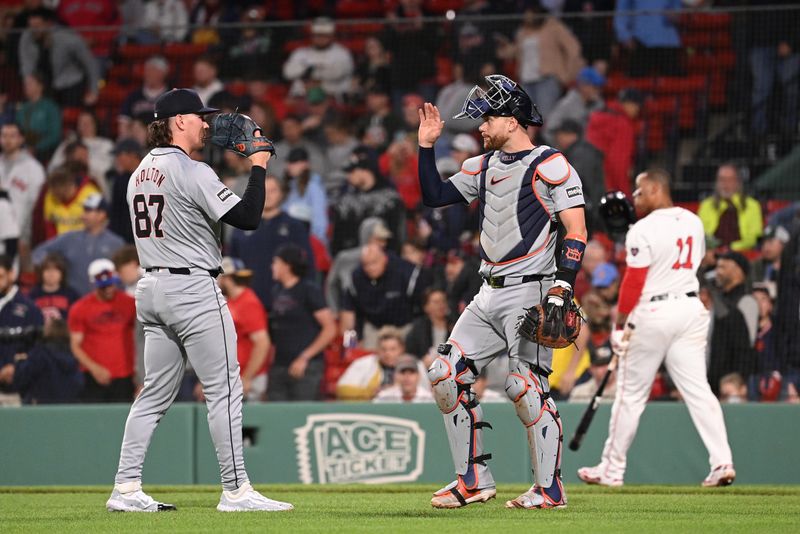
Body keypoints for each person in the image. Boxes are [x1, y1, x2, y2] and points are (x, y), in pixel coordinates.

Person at [107, 88, 293, 512]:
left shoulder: (138, 171)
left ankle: (126, 487)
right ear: (178, 122)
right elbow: (247, 218)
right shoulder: (193, 171)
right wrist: (258, 165)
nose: (208, 123)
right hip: (191, 288)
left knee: (153, 394)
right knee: (224, 390)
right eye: (199, 116)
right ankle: (236, 490)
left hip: (151, 287)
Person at [417, 74, 587, 509]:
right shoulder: (483, 165)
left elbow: (576, 231)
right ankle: (473, 479)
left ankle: (550, 490)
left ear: (513, 121)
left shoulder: (551, 164)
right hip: (487, 290)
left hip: (533, 289)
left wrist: (562, 288)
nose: (481, 126)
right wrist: (426, 146)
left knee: (524, 384)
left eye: (488, 118)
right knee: (444, 374)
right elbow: (434, 195)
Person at [577, 168, 736, 489]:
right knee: (699, 391)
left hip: (654, 310)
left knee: (630, 395)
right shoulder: (693, 221)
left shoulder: (644, 229)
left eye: (638, 191)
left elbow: (634, 281)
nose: (634, 198)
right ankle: (722, 462)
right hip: (690, 309)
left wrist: (619, 324)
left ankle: (612, 469)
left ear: (653, 189)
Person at [229, 174, 315, 311]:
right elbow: (231, 265)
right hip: (249, 303)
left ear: (281, 193)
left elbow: (308, 265)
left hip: (287, 303)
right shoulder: (241, 227)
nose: (268, 195)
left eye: (273, 190)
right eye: (264, 190)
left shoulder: (294, 226)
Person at [267, 244, 337, 402]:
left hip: (306, 367)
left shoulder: (309, 290)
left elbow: (329, 329)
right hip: (280, 365)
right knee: (275, 415)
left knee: (300, 415)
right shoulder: (277, 291)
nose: (272, 266)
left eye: (276, 262)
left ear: (287, 265)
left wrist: (305, 357)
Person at [67, 258, 135, 402]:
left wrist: (139, 374)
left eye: (111, 285)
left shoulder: (130, 303)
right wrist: (94, 368)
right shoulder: (80, 308)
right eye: (104, 287)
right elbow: (75, 345)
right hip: (93, 377)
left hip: (125, 375)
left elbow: (140, 338)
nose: (109, 289)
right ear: (94, 285)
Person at [33, 192, 125, 295]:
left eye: (88, 211)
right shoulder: (69, 238)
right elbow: (39, 252)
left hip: (105, 301)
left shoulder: (116, 243)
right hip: (73, 300)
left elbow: (124, 274)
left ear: (101, 215)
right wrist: (51, 268)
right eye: (84, 211)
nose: (83, 215)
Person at [340, 243, 426, 350]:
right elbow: (348, 316)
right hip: (374, 327)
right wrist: (350, 346)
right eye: (366, 264)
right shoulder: (356, 278)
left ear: (384, 259)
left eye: (374, 262)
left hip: (403, 326)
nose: (370, 268)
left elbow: (423, 310)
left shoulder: (406, 273)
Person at [18, 7, 99, 107]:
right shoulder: (27, 37)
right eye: (31, 26)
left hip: (71, 83)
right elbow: (26, 64)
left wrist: (94, 90)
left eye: (38, 26)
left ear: (48, 24)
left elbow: (89, 63)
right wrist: (29, 84)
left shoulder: (67, 38)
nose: (34, 30)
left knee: (69, 115)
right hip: (47, 84)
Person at [217, 257, 269, 403]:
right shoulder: (231, 301)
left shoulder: (248, 303)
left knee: (247, 423)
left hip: (248, 379)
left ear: (227, 278)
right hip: (234, 377)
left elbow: (262, 343)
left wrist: (247, 377)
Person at [707, 251, 758, 396]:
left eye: (723, 267)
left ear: (738, 270)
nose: (718, 272)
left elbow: (746, 346)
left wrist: (737, 380)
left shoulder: (746, 301)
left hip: (730, 384)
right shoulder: (718, 301)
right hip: (713, 380)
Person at [0, 317, 83, 404]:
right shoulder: (73, 355)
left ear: (48, 332)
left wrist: (17, 367)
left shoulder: (41, 353)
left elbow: (21, 379)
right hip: (67, 407)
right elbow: (79, 383)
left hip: (39, 407)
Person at [0, 254, 44, 406]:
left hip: (19, 390)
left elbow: (39, 347)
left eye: (0, 276)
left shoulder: (29, 308)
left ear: (12, 274)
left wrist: (16, 369)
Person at [0, 122, 46, 267]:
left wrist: (26, 238)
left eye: (12, 136)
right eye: (4, 135)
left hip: (18, 234)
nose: (7, 140)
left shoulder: (34, 168)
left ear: (21, 139)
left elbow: (36, 207)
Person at [336, 326, 425, 400]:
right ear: (377, 349)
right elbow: (342, 390)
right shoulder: (364, 364)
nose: (388, 353)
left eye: (393, 349)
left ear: (402, 349)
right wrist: (370, 392)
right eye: (383, 349)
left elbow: (426, 393)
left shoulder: (416, 365)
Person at [586, 88, 643, 197]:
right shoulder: (623, 125)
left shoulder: (597, 117)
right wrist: (625, 195)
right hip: (609, 186)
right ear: (629, 104)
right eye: (637, 106)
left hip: (588, 182)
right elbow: (619, 164)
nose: (638, 110)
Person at [282, 17, 354, 101]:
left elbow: (336, 73)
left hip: (330, 98)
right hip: (301, 98)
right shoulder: (300, 53)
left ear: (331, 36)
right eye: (317, 35)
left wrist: (307, 72)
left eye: (324, 36)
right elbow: (288, 73)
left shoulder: (342, 53)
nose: (321, 39)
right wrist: (320, 72)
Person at [697, 163, 763, 251]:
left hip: (741, 253)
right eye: (722, 180)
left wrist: (732, 247)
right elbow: (700, 234)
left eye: (730, 180)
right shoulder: (706, 205)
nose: (725, 184)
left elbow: (755, 236)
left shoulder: (752, 205)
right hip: (711, 253)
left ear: (738, 182)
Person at [614, 0, 683, 78]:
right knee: (636, 77)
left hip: (667, 42)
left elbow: (677, 12)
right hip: (640, 41)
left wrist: (675, 16)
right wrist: (625, 36)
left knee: (673, 78)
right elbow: (621, 12)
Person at [543, 66, 606, 146]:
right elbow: (549, 129)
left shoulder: (599, 104)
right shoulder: (567, 104)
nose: (598, 91)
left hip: (588, 148)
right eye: (595, 87)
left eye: (599, 87)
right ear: (583, 86)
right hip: (567, 150)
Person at [283, 147, 329, 246]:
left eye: (294, 162)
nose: (290, 166)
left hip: (308, 243)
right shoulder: (289, 188)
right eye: (289, 162)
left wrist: (314, 244)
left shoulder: (314, 187)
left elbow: (319, 222)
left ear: (306, 164)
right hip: (289, 241)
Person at [16, 73, 61, 161]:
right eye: (25, 84)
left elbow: (55, 135)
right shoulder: (22, 108)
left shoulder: (50, 107)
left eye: (30, 83)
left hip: (44, 150)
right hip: (23, 147)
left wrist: (36, 147)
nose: (26, 87)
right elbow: (17, 129)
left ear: (40, 86)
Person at [405, 288, 452, 366]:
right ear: (426, 307)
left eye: (443, 301)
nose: (441, 305)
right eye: (436, 302)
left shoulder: (454, 325)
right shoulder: (418, 328)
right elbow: (410, 352)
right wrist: (421, 361)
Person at [29, 252, 79, 321]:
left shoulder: (72, 295)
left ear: (62, 273)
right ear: (41, 273)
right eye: (47, 269)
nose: (51, 273)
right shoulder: (32, 295)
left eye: (56, 270)